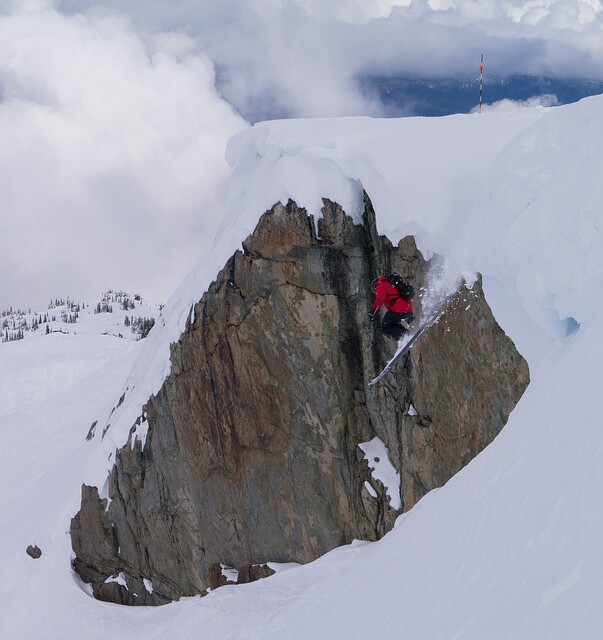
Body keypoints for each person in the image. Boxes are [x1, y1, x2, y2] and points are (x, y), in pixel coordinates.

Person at [370, 273, 414, 341]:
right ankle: (406, 335)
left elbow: (380, 298)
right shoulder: (390, 283)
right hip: (407, 310)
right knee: (391, 323)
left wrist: (373, 311)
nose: (376, 293)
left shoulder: (380, 284)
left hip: (399, 309)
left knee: (385, 326)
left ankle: (404, 336)